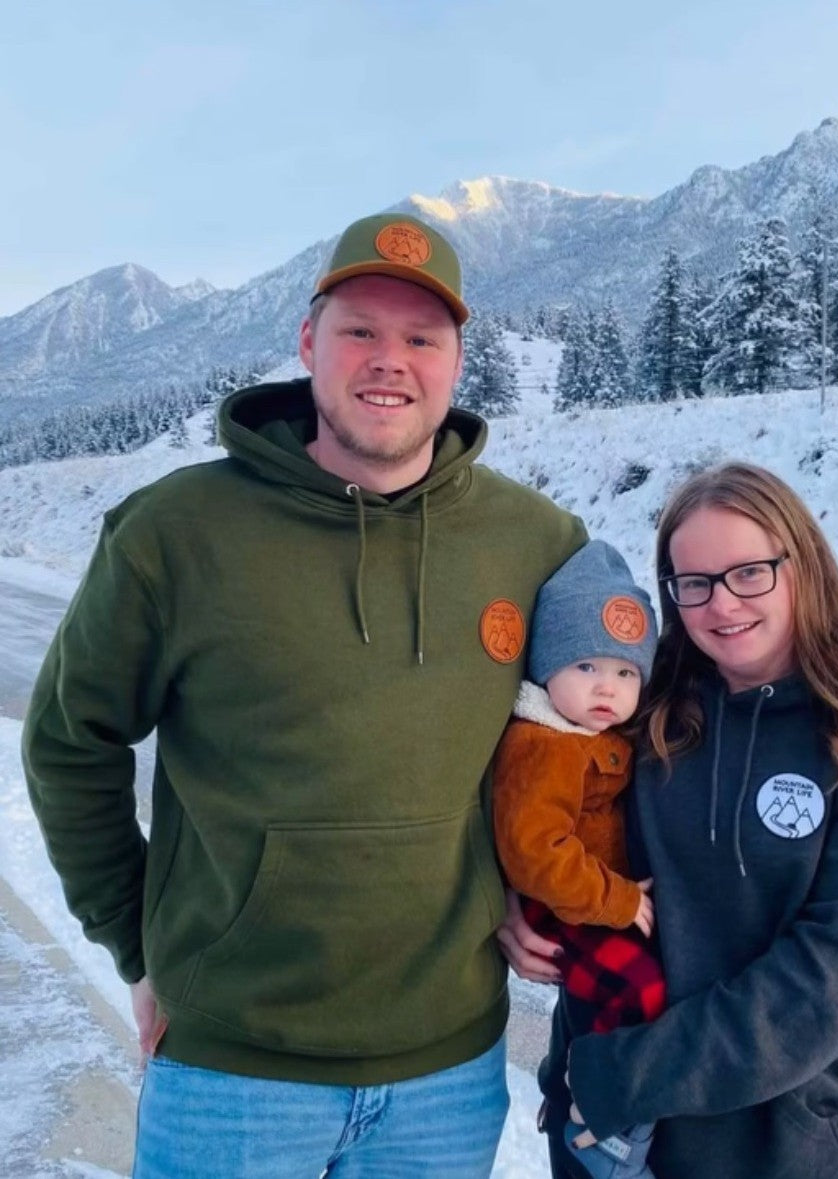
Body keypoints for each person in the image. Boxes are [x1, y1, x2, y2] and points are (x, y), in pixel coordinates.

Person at [22, 211, 586, 1178]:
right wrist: (134, 943)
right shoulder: (174, 533)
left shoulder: (533, 541)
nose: (389, 359)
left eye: (422, 338)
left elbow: (581, 741)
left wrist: (525, 885)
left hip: (448, 1074)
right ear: (306, 343)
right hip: (231, 1075)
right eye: (359, 329)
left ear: (457, 361)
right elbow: (72, 741)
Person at [498, 461, 838, 1179]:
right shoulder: (644, 703)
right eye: (694, 582)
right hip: (596, 1125)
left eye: (749, 573)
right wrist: (511, 906)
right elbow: (539, 801)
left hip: (761, 1142)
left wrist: (634, 1072)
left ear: (802, 563)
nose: (721, 603)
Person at [492, 539, 663, 1179]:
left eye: (625, 674)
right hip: (566, 905)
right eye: (586, 665)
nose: (606, 688)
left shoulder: (593, 735)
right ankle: (604, 1119)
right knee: (641, 989)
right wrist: (619, 899)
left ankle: (603, 1094)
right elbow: (536, 851)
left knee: (635, 997)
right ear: (547, 667)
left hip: (587, 900)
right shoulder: (545, 747)